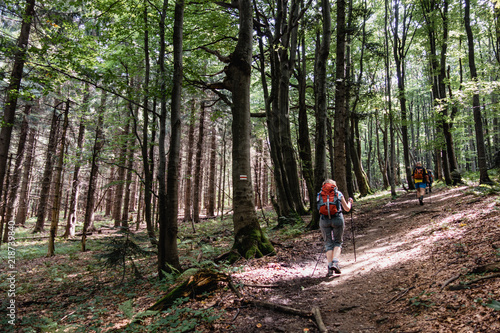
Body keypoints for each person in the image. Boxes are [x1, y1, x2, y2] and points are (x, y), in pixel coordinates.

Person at [317, 179, 353, 276]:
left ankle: (329, 268)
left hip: (324, 220)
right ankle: (335, 263)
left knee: (328, 243)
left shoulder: (320, 194)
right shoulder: (338, 193)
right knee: (338, 242)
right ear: (334, 185)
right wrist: (350, 202)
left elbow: (318, 208)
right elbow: (347, 208)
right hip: (337, 218)